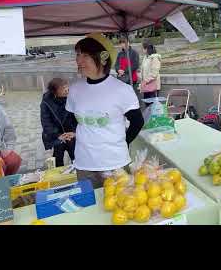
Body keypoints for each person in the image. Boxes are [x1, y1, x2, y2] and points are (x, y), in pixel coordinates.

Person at [65, 33, 144, 189]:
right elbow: (70, 119)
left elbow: (137, 121)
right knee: (90, 209)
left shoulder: (122, 90)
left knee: (122, 207)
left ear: (103, 57)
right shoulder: (74, 89)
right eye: (78, 55)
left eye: (85, 55)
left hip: (116, 164)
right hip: (84, 165)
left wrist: (122, 141)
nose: (79, 61)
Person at [40, 78, 76, 167]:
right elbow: (46, 122)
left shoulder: (72, 98)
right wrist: (58, 135)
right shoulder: (46, 102)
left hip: (71, 133)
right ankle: (58, 176)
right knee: (58, 157)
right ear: (54, 91)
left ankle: (79, 173)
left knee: (76, 156)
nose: (66, 90)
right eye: (63, 88)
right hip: (57, 135)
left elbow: (78, 117)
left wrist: (75, 132)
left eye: (66, 87)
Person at [139, 40, 162, 106]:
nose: (142, 49)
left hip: (153, 86)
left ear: (146, 49)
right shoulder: (146, 57)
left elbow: (154, 73)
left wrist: (145, 80)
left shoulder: (155, 58)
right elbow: (143, 70)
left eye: (143, 48)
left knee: (153, 106)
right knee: (147, 104)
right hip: (146, 86)